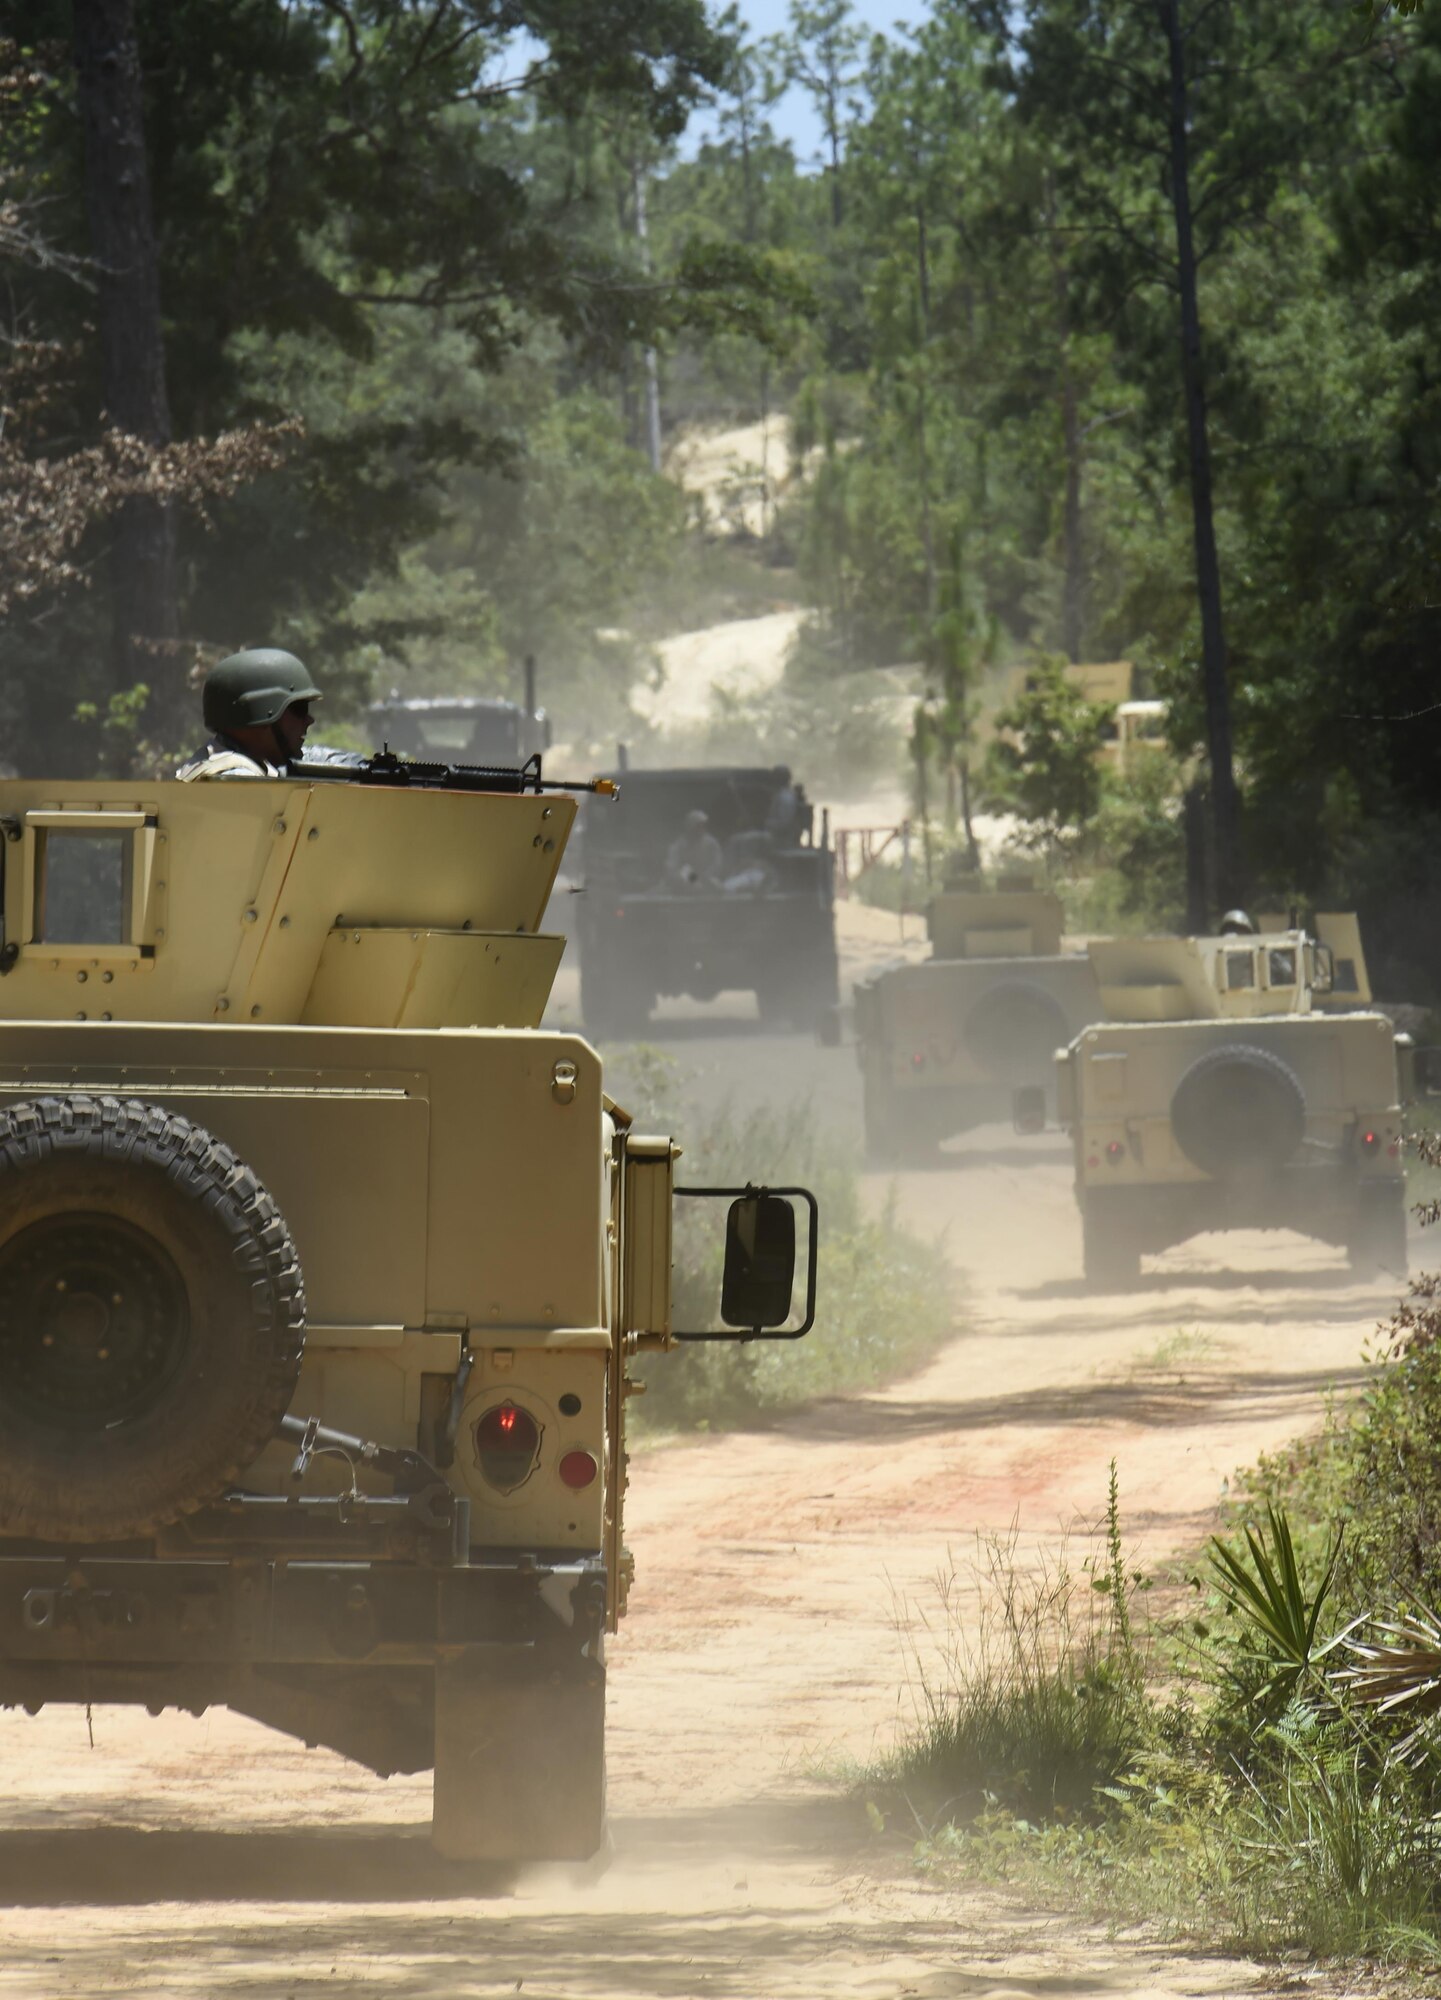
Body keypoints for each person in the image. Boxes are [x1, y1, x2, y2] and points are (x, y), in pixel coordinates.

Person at [177, 648, 336, 780]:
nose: (309, 720)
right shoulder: (241, 783)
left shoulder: (209, 763)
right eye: (299, 708)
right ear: (263, 711)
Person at [664, 808, 724, 892]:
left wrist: (707, 875)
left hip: (707, 877)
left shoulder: (711, 843)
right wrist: (693, 879)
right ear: (690, 826)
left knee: (718, 887)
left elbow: (717, 863)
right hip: (685, 879)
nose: (701, 828)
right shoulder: (678, 845)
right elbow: (674, 868)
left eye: (703, 825)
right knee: (694, 886)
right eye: (698, 825)